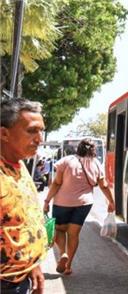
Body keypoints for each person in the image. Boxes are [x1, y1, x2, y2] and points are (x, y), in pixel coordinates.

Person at [43, 138, 115, 275]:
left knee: (59, 229)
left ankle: (63, 253)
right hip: (84, 204)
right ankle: (68, 265)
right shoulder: (96, 164)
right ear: (93, 150)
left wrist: (46, 201)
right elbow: (103, 185)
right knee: (74, 234)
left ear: (78, 148)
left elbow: (57, 183)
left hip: (62, 202)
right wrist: (111, 202)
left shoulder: (66, 161)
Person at [0, 98, 48, 293]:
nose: (40, 139)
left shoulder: (20, 166)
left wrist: (33, 266)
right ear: (4, 133)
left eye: (41, 131)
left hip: (21, 279)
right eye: (31, 131)